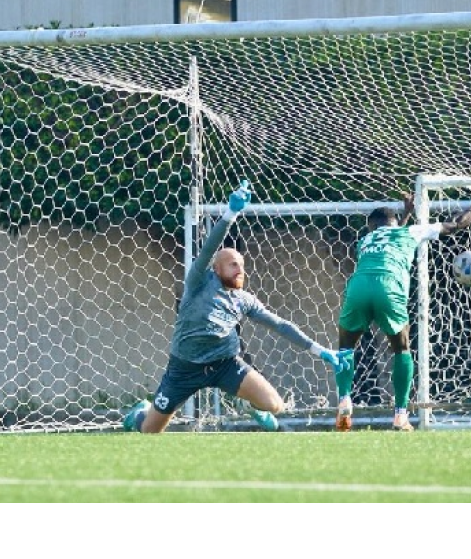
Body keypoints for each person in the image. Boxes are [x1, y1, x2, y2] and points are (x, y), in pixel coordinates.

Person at [124, 180, 350, 434]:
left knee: (274, 405)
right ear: (216, 268)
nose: (239, 268)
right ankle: (140, 412)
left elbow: (280, 325)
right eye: (232, 263)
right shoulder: (198, 281)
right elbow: (210, 246)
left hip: (226, 364)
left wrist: (321, 351)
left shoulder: (244, 300)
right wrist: (231, 214)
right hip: (184, 368)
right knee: (149, 431)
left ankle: (249, 403)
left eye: (241, 264)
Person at [333, 187, 471, 432]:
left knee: (346, 347)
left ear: (371, 227)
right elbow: (455, 223)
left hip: (359, 288)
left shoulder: (365, 240)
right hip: (389, 288)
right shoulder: (410, 232)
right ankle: (400, 415)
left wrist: (405, 213)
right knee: (401, 348)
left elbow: (389, 235)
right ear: (396, 224)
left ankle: (344, 400)